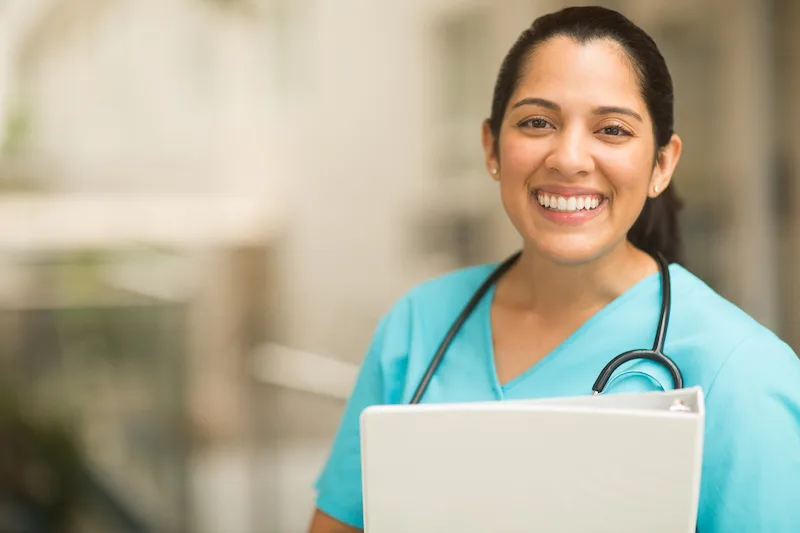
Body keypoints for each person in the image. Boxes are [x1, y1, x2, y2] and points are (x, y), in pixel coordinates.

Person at [307, 5, 800, 533]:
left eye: (611, 129)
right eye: (537, 122)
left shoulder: (742, 371)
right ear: (491, 148)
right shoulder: (418, 328)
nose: (568, 158)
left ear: (661, 164)